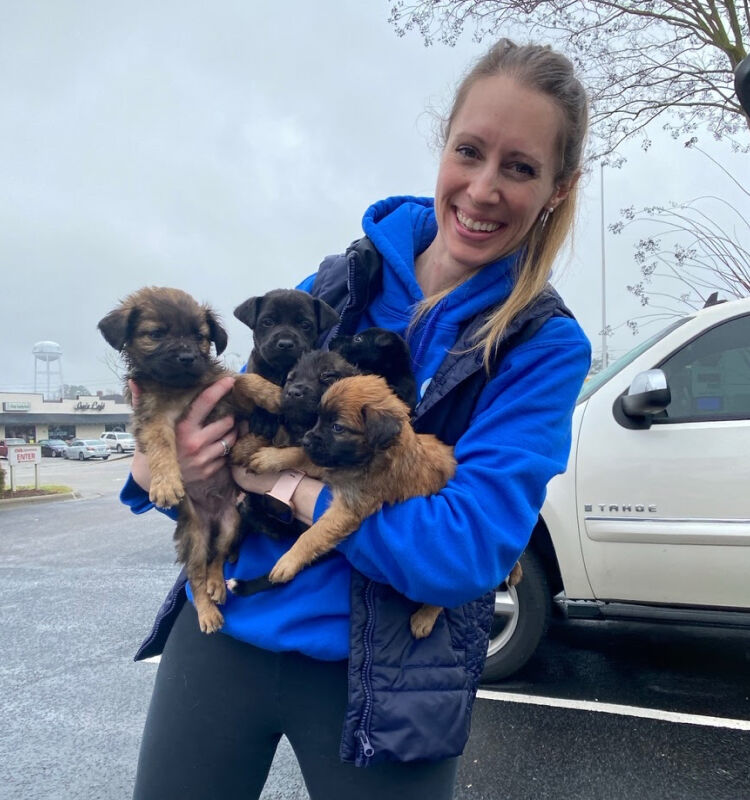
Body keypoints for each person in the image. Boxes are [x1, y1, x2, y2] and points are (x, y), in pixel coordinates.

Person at [123, 38, 592, 800]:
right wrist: (155, 466)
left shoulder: (541, 345)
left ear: (558, 190)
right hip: (224, 637)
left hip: (386, 675)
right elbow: (226, 421)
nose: (481, 189)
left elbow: (463, 554)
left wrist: (288, 491)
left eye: (520, 167)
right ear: (443, 145)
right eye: (469, 151)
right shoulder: (340, 281)